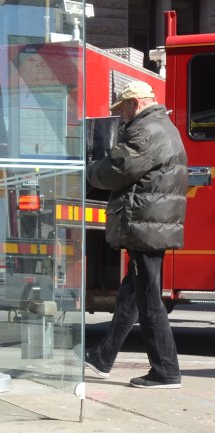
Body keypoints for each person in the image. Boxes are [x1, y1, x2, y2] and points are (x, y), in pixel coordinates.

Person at [84, 80, 188, 389]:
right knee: (132, 293)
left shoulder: (146, 130)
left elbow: (117, 169)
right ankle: (102, 357)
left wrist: (87, 170)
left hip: (145, 223)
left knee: (148, 299)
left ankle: (166, 371)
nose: (121, 115)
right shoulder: (164, 126)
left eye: (123, 108)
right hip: (153, 222)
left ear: (136, 103)